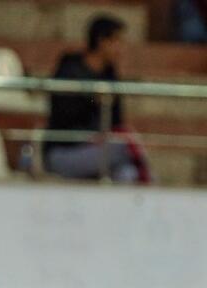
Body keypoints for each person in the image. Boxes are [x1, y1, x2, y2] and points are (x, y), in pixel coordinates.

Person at [45, 15, 149, 183]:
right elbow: (63, 114)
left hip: (100, 150)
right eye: (116, 41)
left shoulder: (110, 75)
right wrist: (94, 100)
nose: (121, 48)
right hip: (66, 151)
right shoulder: (69, 71)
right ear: (101, 41)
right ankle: (151, 180)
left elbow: (116, 121)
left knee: (128, 174)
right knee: (124, 149)